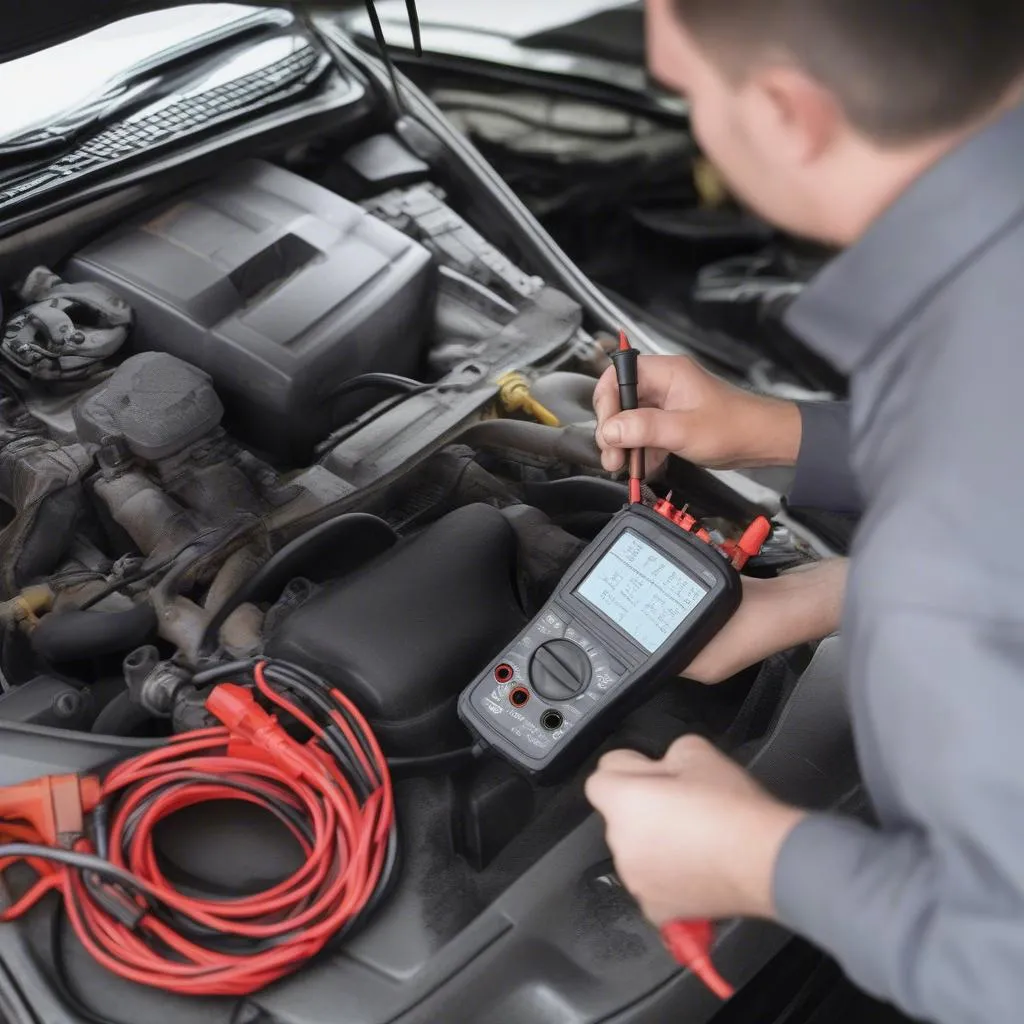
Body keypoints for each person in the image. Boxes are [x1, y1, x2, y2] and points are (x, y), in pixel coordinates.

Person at [583, 2, 1024, 1022]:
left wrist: (755, 858)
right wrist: (775, 440)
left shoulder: (942, 576)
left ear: (787, 114)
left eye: (686, 93)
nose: (692, 124)